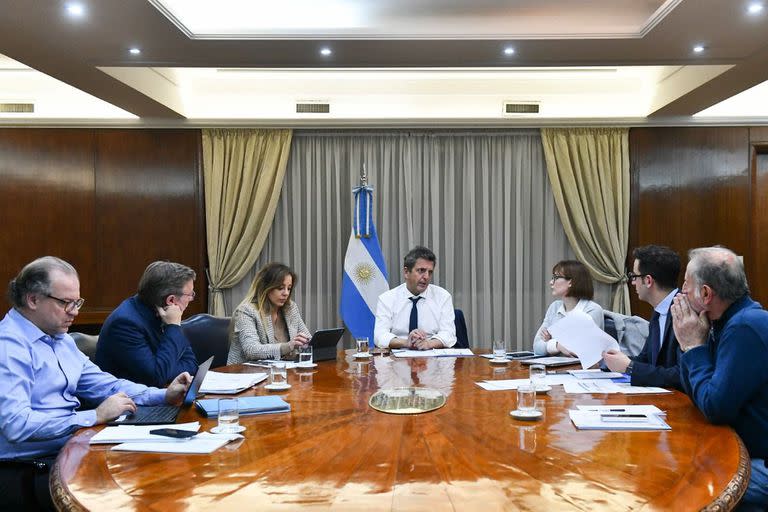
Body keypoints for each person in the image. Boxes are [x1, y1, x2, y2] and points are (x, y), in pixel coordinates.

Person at [0, 257, 191, 510]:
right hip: (29, 470)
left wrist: (163, 395)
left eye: (77, 302)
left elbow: (107, 386)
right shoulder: (9, 346)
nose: (75, 312)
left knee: (167, 470)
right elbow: (17, 425)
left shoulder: (60, 339)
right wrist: (95, 415)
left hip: (70, 449)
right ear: (33, 299)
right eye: (65, 303)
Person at [671, 246, 768, 510]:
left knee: (683, 487)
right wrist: (688, 347)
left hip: (760, 461)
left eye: (686, 285)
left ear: (706, 294)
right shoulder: (722, 323)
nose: (681, 293)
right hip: (744, 448)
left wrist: (692, 348)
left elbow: (715, 408)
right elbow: (696, 393)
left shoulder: (745, 326)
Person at [96, 261, 199, 387]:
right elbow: (156, 377)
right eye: (190, 295)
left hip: (158, 394)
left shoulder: (165, 314)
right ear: (171, 300)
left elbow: (191, 363)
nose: (191, 299)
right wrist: (173, 327)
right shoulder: (125, 323)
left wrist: (164, 370)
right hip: (125, 402)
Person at [602, 245, 683, 389]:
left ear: (648, 281)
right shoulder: (659, 310)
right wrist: (610, 361)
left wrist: (630, 367)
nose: (632, 283)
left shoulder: (684, 310)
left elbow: (681, 375)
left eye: (634, 276)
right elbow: (646, 360)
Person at [374, 246, 456, 350]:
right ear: (406, 272)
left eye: (430, 272)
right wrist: (406, 342)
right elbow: (379, 336)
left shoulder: (443, 297)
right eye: (421, 271)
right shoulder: (387, 299)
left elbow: (449, 335)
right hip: (397, 359)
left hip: (432, 357)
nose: (426, 276)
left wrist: (428, 344)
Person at [227, 262, 311, 364]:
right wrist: (289, 346)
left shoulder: (290, 308)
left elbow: (307, 339)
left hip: (283, 372)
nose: (286, 293)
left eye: (289, 288)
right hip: (245, 374)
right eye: (280, 288)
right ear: (266, 288)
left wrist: (308, 342)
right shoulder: (246, 311)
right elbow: (251, 350)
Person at [533, 260, 604, 356]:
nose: (551, 282)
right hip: (554, 368)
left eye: (556, 277)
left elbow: (579, 349)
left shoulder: (592, 310)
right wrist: (557, 345)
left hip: (581, 369)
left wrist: (550, 341)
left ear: (571, 282)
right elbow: (537, 347)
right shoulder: (554, 307)